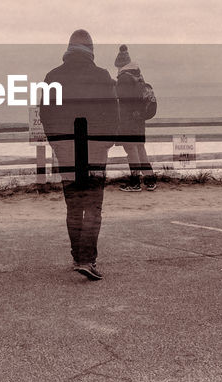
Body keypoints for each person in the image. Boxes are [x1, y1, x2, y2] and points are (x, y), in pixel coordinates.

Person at [39, 29, 118, 280]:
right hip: (94, 149)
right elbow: (113, 114)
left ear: (69, 49)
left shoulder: (53, 76)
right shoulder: (102, 76)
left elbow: (46, 115)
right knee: (93, 205)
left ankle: (77, 257)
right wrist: (106, 143)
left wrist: (57, 143)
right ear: (91, 50)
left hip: (67, 152)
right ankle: (87, 259)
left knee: (73, 206)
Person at [114, 44, 157, 192]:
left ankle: (135, 183)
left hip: (128, 121)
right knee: (140, 149)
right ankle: (150, 181)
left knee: (131, 151)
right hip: (139, 121)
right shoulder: (138, 76)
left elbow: (121, 99)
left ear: (120, 66)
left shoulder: (124, 79)